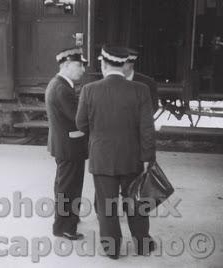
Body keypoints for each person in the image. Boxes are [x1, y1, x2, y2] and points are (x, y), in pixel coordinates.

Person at [76, 45, 156, 259]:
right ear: (124, 65)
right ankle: (142, 244)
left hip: (102, 158)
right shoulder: (141, 90)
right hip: (133, 158)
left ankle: (112, 250)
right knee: (136, 202)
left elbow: (81, 124)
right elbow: (147, 128)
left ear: (103, 64)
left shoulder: (89, 89)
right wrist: (149, 158)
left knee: (106, 205)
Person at [45, 47, 88, 240]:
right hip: (70, 147)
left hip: (65, 145)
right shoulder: (62, 88)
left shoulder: (58, 84)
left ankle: (68, 220)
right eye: (79, 65)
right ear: (67, 65)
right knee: (69, 187)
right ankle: (64, 227)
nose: (82, 70)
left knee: (64, 185)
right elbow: (78, 118)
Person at [123, 49, 159, 113]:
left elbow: (153, 108)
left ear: (130, 65)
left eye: (119, 64)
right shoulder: (109, 81)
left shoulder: (148, 83)